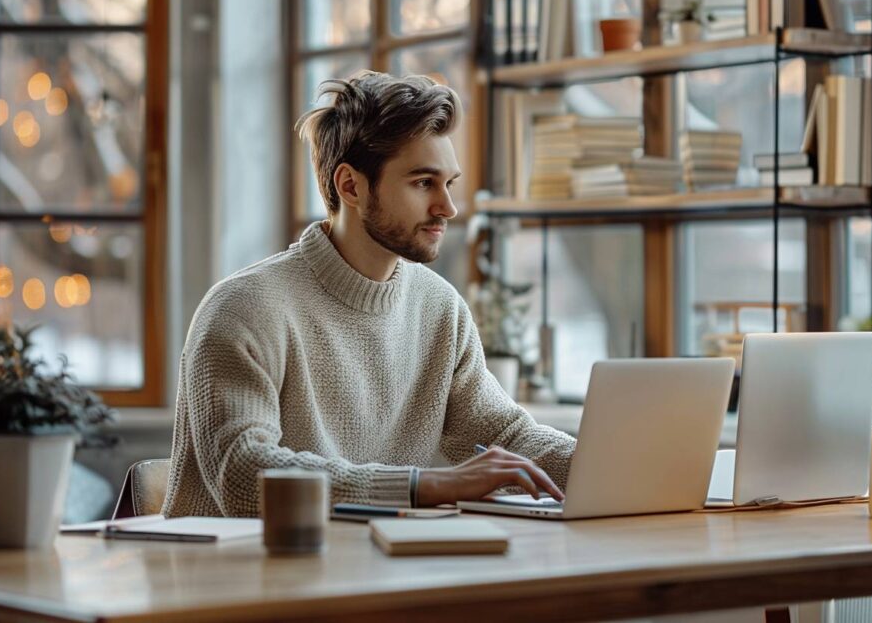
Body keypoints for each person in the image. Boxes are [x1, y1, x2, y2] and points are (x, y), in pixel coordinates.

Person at [162, 71, 575, 517]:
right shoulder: (243, 309)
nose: (448, 208)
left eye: (449, 184)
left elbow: (508, 435)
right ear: (351, 186)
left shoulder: (440, 309)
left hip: (367, 569)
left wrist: (623, 466)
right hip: (232, 577)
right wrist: (426, 485)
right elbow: (245, 477)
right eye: (423, 183)